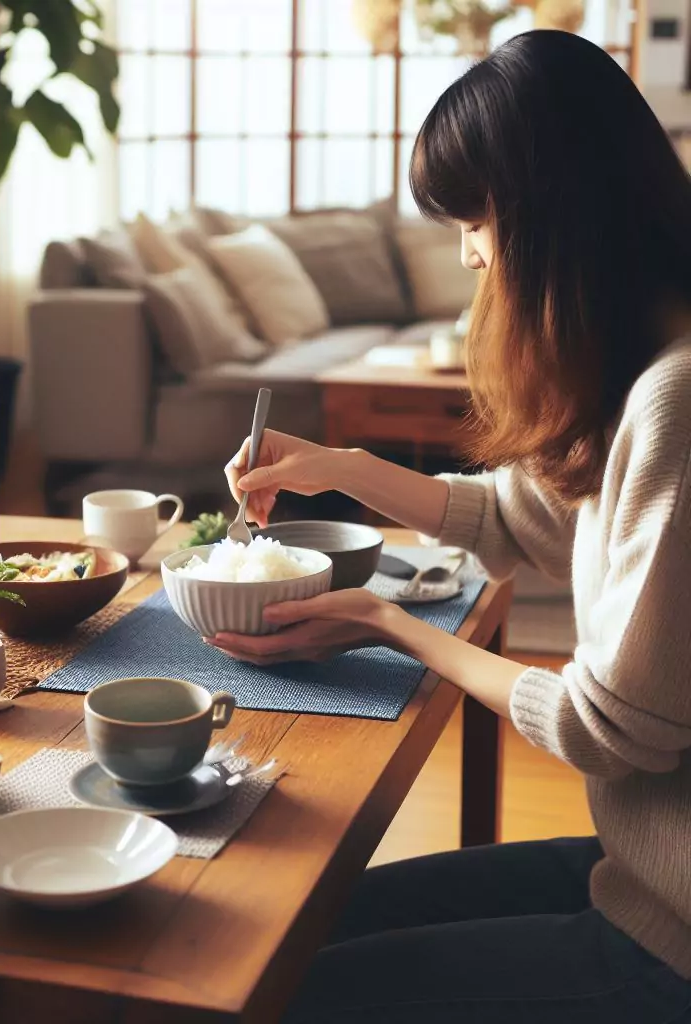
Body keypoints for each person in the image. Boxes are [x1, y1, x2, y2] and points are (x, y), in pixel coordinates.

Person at [218, 30, 691, 1024]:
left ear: (550, 217)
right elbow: (521, 522)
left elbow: (605, 728)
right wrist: (337, 468)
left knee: (284, 989)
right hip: (640, 874)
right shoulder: (647, 357)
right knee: (289, 929)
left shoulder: (676, 399)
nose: (469, 252)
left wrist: (391, 625)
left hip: (671, 943)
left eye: (473, 220)